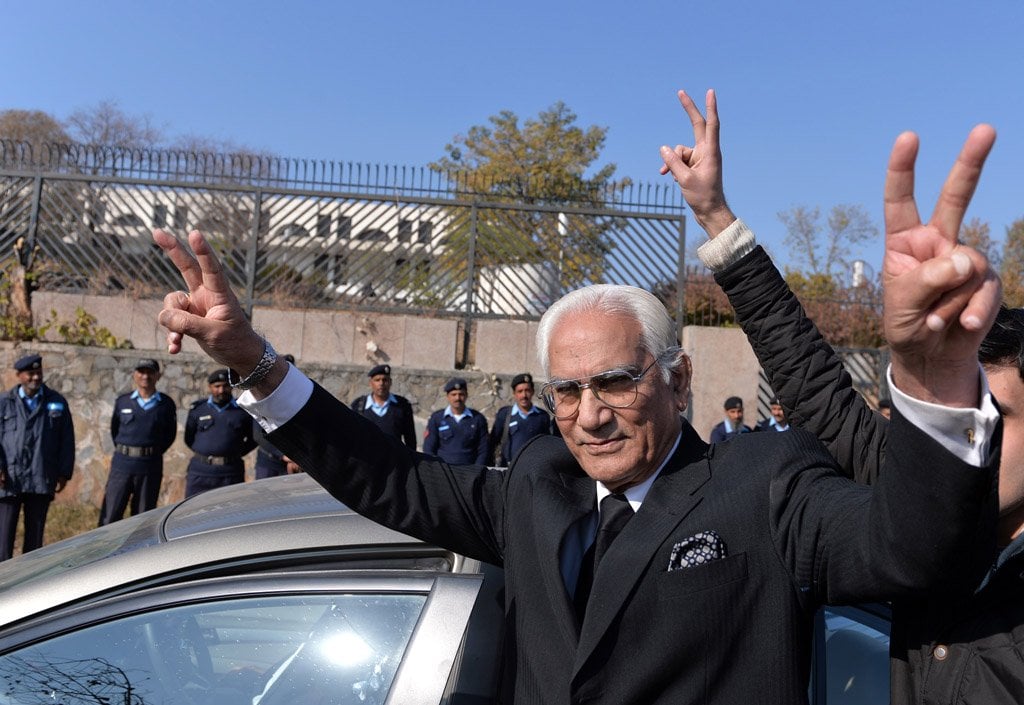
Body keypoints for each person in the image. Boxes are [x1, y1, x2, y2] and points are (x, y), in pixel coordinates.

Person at [153, 90, 1002, 704]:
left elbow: (913, 548)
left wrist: (932, 383)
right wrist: (254, 361)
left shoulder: (768, 484)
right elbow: (389, 478)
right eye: (566, 390)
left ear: (676, 379)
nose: (589, 414)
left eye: (615, 382)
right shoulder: (537, 484)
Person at [663, 89, 1015, 701]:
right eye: (955, 412)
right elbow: (815, 389)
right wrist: (717, 217)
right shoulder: (920, 502)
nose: (969, 440)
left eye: (993, 416)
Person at [0, 354, 75, 561]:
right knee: (3, 540)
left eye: (38, 372)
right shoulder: (4, 402)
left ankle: (29, 587)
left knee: (34, 543)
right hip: (9, 480)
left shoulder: (56, 402)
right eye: (30, 373)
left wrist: (64, 472)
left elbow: (66, 439)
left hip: (41, 477)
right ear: (19, 376)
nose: (35, 377)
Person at [99, 358, 177, 525]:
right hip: (122, 465)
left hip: (150, 465)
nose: (145, 376)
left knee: (143, 518)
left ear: (158, 376)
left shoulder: (166, 404)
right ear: (134, 375)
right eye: (141, 372)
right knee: (110, 514)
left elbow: (170, 435)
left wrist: (149, 451)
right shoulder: (123, 401)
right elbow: (115, 430)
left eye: (150, 372)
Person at [184, 369, 257, 497]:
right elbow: (189, 438)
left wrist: (234, 453)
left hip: (230, 473)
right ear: (209, 387)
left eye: (225, 386)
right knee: (192, 512)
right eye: (217, 386)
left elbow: (253, 438)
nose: (221, 390)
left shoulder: (243, 411)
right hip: (201, 472)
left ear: (231, 387)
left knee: (230, 512)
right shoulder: (198, 409)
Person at [489, 372, 553, 466]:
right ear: (514, 393)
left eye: (527, 390)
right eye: (520, 391)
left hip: (533, 468)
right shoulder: (505, 415)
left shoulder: (542, 417)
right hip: (508, 468)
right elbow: (493, 442)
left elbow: (547, 445)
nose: (524, 395)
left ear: (532, 392)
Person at [350, 363, 417, 450]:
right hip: (367, 460)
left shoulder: (402, 405)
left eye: (385, 380)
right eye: (377, 380)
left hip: (394, 459)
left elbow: (410, 438)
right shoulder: (359, 406)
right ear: (371, 383)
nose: (381, 383)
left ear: (390, 382)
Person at [422, 377, 489, 464]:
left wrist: (477, 471)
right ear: (448, 396)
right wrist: (436, 469)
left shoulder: (478, 419)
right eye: (453, 394)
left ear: (466, 395)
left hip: (469, 472)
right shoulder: (437, 418)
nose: (457, 398)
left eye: (461, 394)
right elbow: (429, 448)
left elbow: (483, 450)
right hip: (444, 470)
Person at [253, 354, 298, 479]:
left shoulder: (297, 398)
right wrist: (283, 456)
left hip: (294, 464)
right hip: (269, 462)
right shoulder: (261, 397)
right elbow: (258, 434)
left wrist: (295, 459)